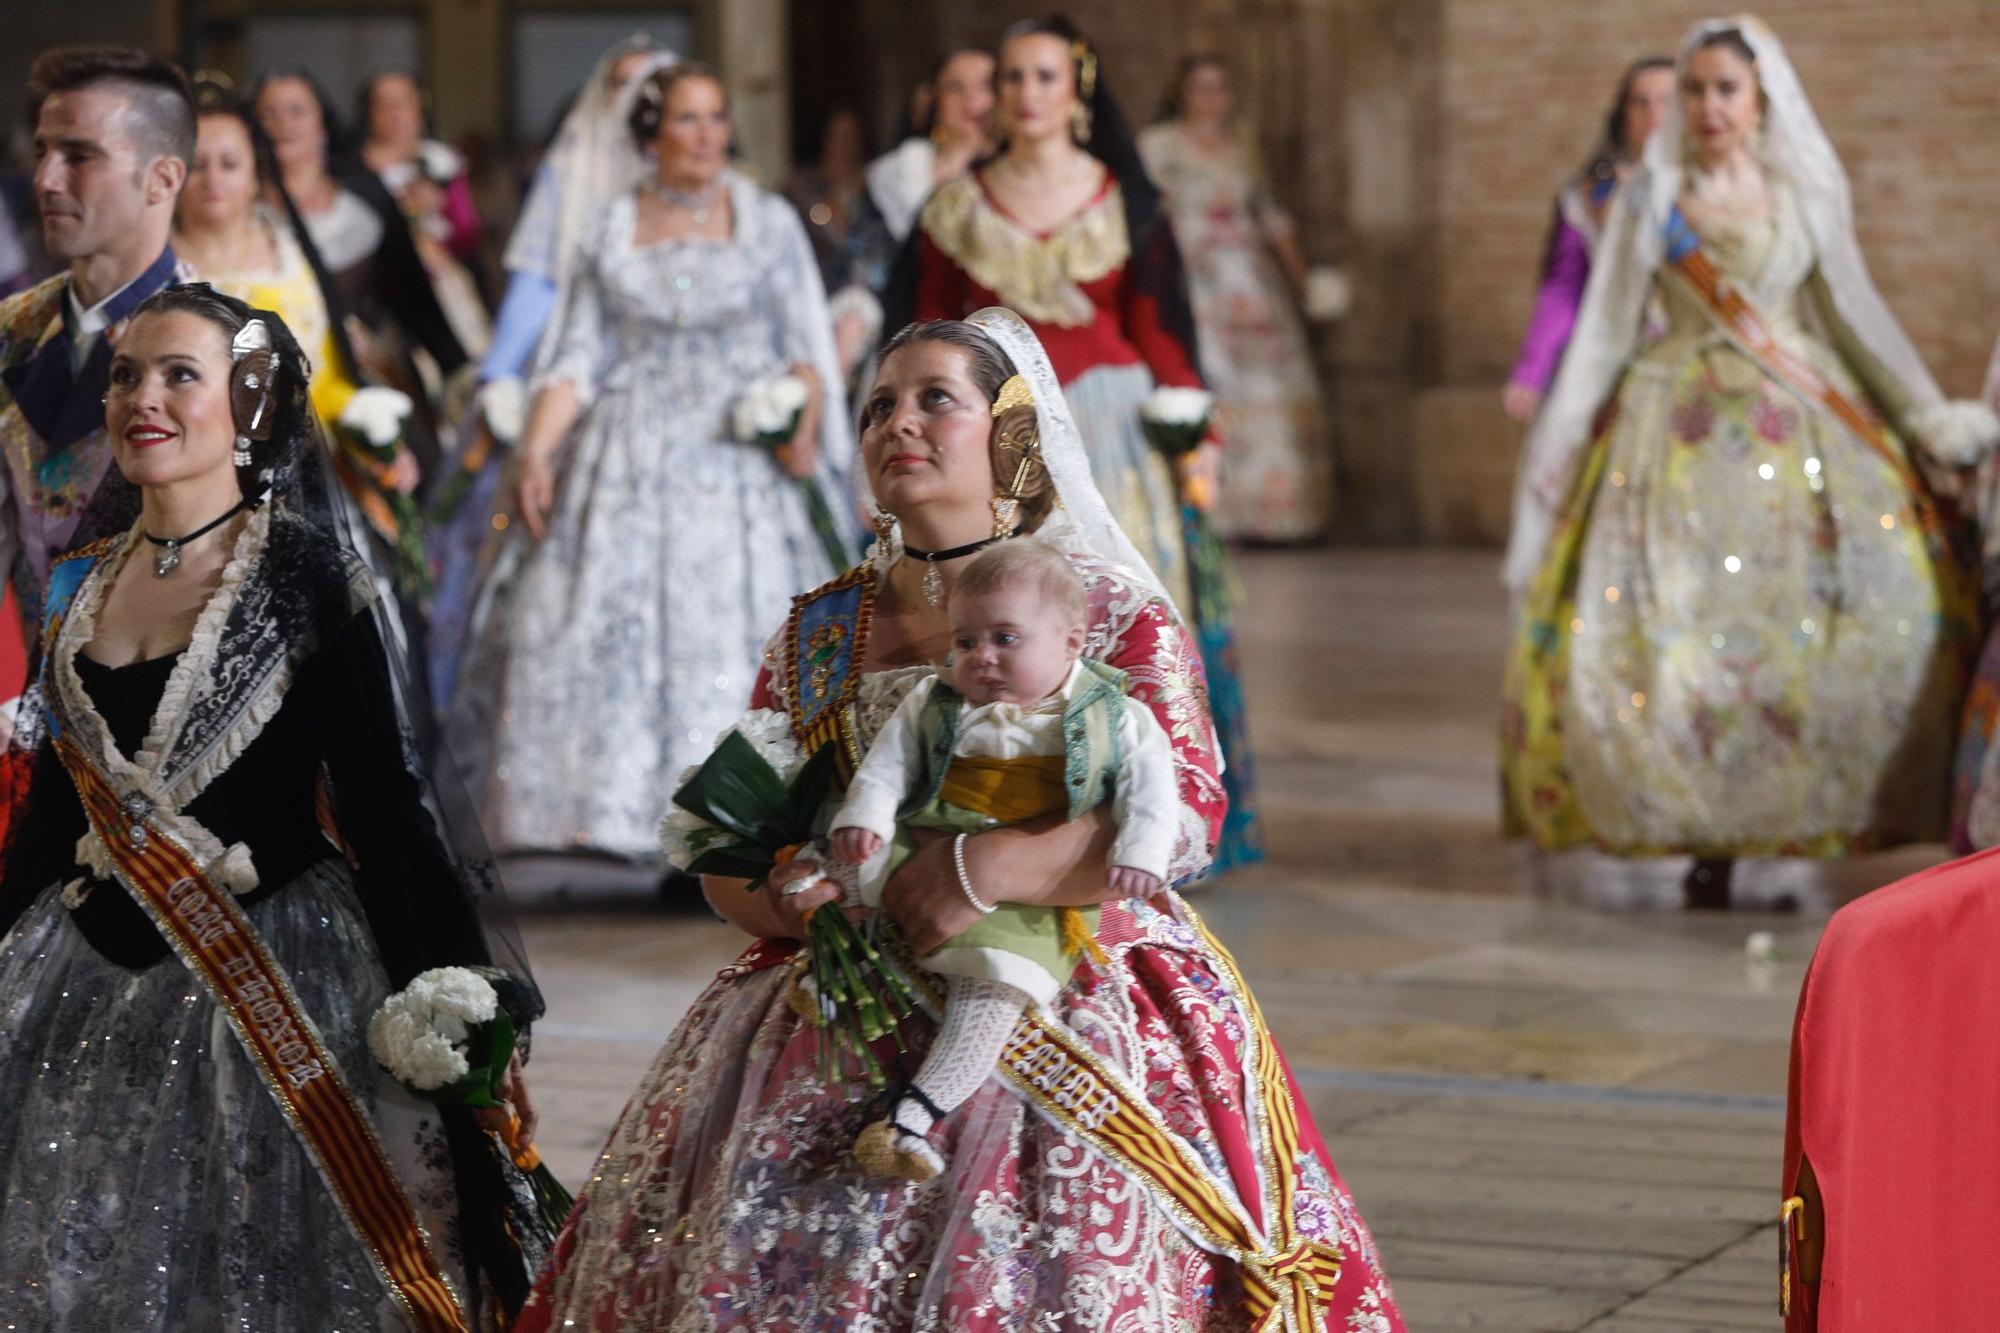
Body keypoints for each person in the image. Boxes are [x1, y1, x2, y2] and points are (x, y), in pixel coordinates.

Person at [515, 309, 1403, 1332]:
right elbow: (726, 844)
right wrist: (796, 900)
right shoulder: (820, 629)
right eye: (878, 405)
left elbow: (1187, 816)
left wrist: (986, 870)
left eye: (937, 397)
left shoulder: (1105, 609)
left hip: (1069, 973)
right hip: (842, 994)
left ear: (1012, 431)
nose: (900, 421)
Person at [0, 284, 551, 1327]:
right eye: (126, 375)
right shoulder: (72, 586)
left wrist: (455, 988)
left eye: (178, 376)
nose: (142, 399)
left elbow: (386, 806)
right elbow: (49, 824)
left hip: (280, 980)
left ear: (252, 407)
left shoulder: (306, 575)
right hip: (72, 983)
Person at [1500, 18, 1998, 908]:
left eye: (1726, 89)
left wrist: (1927, 419)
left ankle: (1807, 815)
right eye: (1694, 89)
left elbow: (1853, 315)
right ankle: (1702, 834)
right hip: (1672, 448)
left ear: (1761, 99)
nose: (1707, 106)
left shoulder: (1802, 196)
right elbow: (1608, 326)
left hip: (1804, 439)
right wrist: (1562, 442)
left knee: (1840, 629)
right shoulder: (1653, 200)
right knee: (1678, 644)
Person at [447, 60, 856, 870]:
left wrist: (805, 407)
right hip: (627, 451)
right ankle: (627, 817)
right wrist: (535, 451)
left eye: (715, 118)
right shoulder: (608, 225)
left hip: (738, 463)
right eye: (686, 120)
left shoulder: (767, 221)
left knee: (737, 626)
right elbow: (573, 357)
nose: (705, 135)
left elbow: (803, 339)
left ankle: (745, 814)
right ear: (651, 134)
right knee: (610, 625)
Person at [893, 15, 1264, 872]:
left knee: (1117, 599)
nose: (1026, 95)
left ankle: (1137, 812)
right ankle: (990, 799)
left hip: (1110, 426)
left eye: (1044, 78)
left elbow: (1156, 323)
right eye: (1013, 78)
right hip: (999, 431)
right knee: (998, 603)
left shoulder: (1125, 198)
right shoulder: (955, 206)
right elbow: (931, 329)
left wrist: (1190, 422)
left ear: (1078, 90)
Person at [827, 537, 1177, 1181]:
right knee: (842, 869)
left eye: (1005, 639)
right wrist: (865, 819)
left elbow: (1153, 790)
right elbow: (888, 768)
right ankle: (829, 969)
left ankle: (917, 1114)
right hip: (928, 838)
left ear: (1072, 643)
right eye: (965, 642)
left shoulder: (1111, 715)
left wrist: (1139, 852)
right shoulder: (936, 704)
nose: (980, 658)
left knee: (993, 985)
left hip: (1029, 891)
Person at [425, 39, 673, 707]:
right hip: (573, 372)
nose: (640, 98)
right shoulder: (574, 176)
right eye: (625, 83)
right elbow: (537, 284)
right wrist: (502, 375)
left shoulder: (703, 186)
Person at [174, 85, 431, 609]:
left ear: (255, 171)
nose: (214, 179)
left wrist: (368, 438)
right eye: (197, 165)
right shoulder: (165, 269)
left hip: (317, 480)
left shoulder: (286, 246)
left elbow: (327, 376)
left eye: (229, 162)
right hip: (207, 492)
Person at [0, 47, 196, 643]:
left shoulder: (222, 348)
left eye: (78, 155)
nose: (46, 179)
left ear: (162, 178)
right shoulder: (15, 324)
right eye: (43, 153)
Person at [1141, 52, 1333, 542]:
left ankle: (1273, 515)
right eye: (1201, 86)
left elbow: (1269, 215)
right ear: (1182, 91)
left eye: (1219, 87)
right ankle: (1210, 512)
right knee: (1211, 382)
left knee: (1267, 390)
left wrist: (1302, 279)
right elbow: (1142, 215)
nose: (1211, 98)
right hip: (1192, 282)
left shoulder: (1241, 145)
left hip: (1249, 283)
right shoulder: (1159, 145)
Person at [251, 67, 467, 480]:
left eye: (296, 111)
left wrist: (457, 368)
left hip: (368, 375)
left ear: (321, 125)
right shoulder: (239, 209)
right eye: (269, 113)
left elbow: (413, 295)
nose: (281, 125)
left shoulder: (364, 196)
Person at [1501, 56, 1675, 426]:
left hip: (1690, 356)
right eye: (1640, 102)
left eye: (1666, 101)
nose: (1653, 114)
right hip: (1612, 356)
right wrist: (1532, 369)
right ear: (1622, 114)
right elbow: (1565, 287)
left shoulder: (1713, 189)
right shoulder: (1591, 197)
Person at [359, 70, 492, 360]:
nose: (395, 114)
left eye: (404, 103)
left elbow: (467, 235)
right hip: (383, 295)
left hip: (441, 284)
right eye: (384, 104)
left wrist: (436, 206)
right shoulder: (356, 169)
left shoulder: (441, 161)